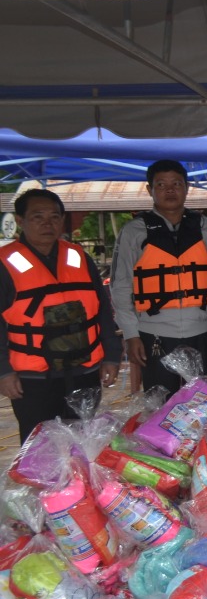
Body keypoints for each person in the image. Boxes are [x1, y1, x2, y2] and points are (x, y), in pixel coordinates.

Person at [0, 189, 121, 441]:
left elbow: (102, 311)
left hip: (84, 370)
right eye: (38, 217)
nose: (48, 224)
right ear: (20, 220)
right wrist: (4, 371)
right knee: (39, 446)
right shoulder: (5, 263)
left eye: (54, 217)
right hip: (34, 377)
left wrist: (111, 355)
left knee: (82, 441)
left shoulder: (79, 257)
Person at [111, 159, 207, 393]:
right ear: (150, 189)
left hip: (203, 332)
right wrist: (131, 334)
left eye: (176, 184)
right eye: (161, 184)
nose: (170, 190)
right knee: (160, 403)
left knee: (204, 403)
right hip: (154, 334)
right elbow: (120, 287)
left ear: (187, 188)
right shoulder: (133, 231)